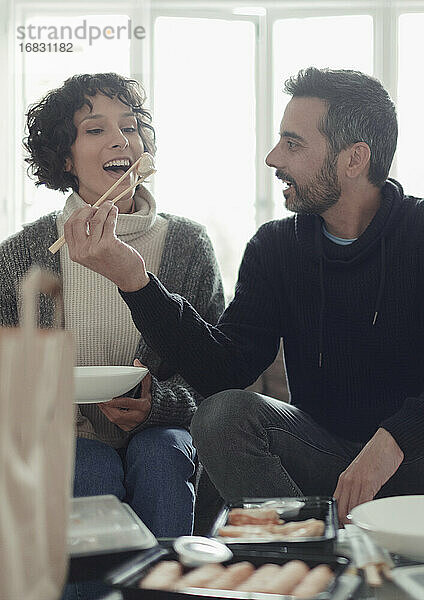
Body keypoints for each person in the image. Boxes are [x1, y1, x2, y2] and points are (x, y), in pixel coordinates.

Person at [62, 67, 424, 528]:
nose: (274, 158)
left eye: (293, 143)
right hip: (322, 460)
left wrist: (393, 439)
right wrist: (137, 282)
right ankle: (310, 555)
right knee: (222, 416)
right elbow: (224, 369)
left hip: (413, 457)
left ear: (354, 159)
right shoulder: (276, 247)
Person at [0, 72, 225, 541]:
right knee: (86, 468)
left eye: (130, 125)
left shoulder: (187, 244)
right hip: (65, 432)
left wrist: (158, 406)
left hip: (164, 430)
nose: (120, 140)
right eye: (95, 129)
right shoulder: (25, 252)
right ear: (66, 156)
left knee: (162, 456)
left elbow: (218, 372)